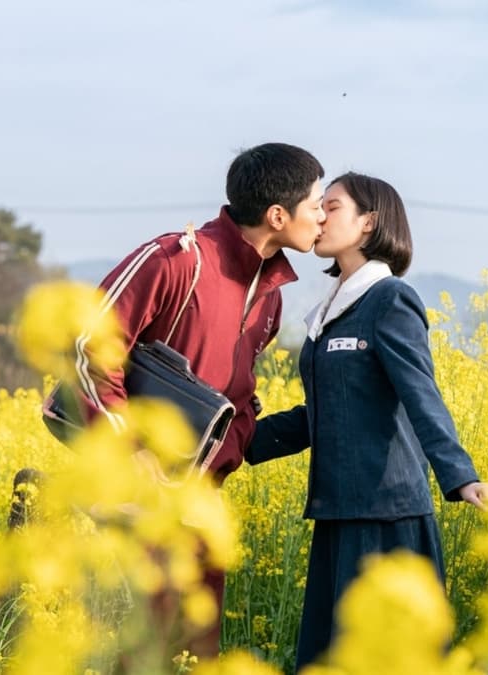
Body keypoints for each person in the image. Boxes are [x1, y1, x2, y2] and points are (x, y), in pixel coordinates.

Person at [62, 142, 327, 657]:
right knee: (137, 650)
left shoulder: (270, 296)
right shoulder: (176, 259)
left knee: (190, 654)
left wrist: (240, 438)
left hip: (200, 503)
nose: (322, 216)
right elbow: (87, 348)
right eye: (316, 203)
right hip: (131, 497)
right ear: (278, 215)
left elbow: (239, 390)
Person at [244, 172, 488, 672]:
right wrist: (241, 440)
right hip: (337, 514)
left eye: (330, 207)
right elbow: (328, 413)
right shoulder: (329, 312)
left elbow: (420, 394)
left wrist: (459, 473)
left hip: (387, 515)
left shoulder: (388, 300)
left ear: (367, 224)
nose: (317, 216)